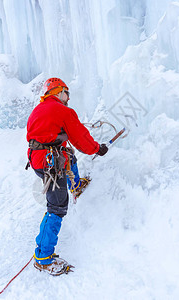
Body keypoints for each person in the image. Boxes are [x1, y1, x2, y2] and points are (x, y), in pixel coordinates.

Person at [26, 77, 108, 275]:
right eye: (66, 92)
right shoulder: (62, 110)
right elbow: (81, 138)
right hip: (50, 165)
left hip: (39, 159)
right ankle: (43, 257)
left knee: (69, 156)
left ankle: (76, 186)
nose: (68, 97)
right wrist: (97, 149)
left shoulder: (39, 110)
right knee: (57, 207)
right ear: (57, 92)